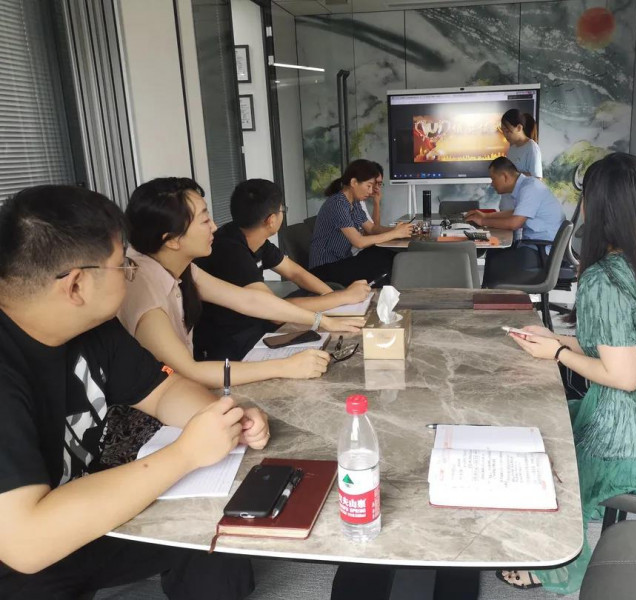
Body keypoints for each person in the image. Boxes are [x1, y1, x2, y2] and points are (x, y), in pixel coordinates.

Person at [0, 185, 267, 599]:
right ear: (75, 286)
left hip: (80, 510)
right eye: (121, 264)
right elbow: (26, 543)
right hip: (21, 559)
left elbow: (163, 390)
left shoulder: (91, 327)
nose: (130, 272)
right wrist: (185, 453)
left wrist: (223, 417)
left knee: (211, 530)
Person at [501, 153, 636, 593]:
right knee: (550, 425)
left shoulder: (604, 277)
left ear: (597, 205)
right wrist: (558, 341)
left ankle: (554, 565)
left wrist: (557, 354)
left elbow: (625, 377)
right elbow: (629, 350)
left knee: (550, 451)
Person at [118, 177, 364, 389]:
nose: (214, 227)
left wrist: (324, 321)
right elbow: (190, 371)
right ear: (171, 240)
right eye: (204, 220)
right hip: (167, 400)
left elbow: (251, 300)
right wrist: (284, 366)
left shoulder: (181, 267)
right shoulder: (144, 290)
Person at [193, 179, 371, 361]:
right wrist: (342, 297)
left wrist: (332, 296)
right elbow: (272, 310)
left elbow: (295, 273)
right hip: (232, 346)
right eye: (282, 209)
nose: (212, 227)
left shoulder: (251, 238)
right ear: (271, 220)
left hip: (254, 326)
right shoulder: (230, 251)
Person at [309, 159, 413, 286]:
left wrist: (398, 230)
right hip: (324, 269)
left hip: (342, 261)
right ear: (354, 182)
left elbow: (372, 229)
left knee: (387, 254)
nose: (371, 191)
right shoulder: (337, 204)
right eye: (368, 186)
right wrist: (394, 234)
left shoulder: (354, 203)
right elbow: (359, 242)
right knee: (384, 264)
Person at [466, 157, 565, 288]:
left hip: (542, 252)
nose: (492, 184)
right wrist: (486, 215)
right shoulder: (527, 185)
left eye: (493, 179)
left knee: (495, 263)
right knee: (493, 254)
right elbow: (517, 213)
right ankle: (488, 293)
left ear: (505, 176)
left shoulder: (530, 188)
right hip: (535, 245)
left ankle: (492, 293)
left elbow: (514, 223)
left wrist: (483, 221)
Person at [498, 108, 543, 213]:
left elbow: (537, 179)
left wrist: (512, 175)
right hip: (507, 205)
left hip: (520, 207)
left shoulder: (531, 147)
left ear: (519, 128)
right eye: (503, 131)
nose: (505, 135)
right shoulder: (512, 148)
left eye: (508, 131)